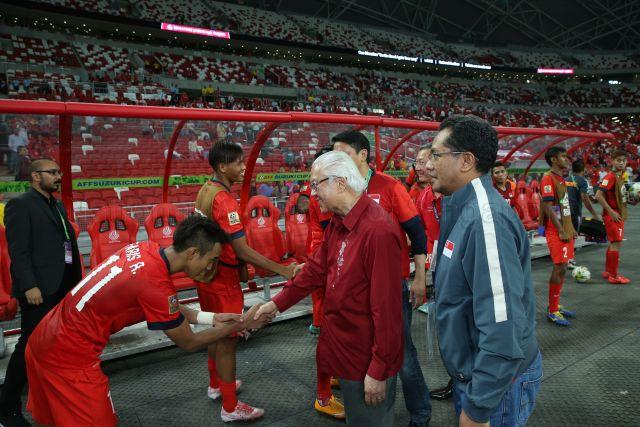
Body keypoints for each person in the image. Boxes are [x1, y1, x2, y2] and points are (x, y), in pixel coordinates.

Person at [25, 216, 273, 426]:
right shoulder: (155, 284)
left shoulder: (146, 250)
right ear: (193, 252)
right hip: (66, 358)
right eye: (212, 259)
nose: (213, 266)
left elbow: (166, 306)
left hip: (44, 337)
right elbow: (189, 341)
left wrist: (213, 318)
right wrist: (241, 325)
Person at [255, 151, 404, 426]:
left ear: (340, 183)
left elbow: (388, 310)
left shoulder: (378, 231)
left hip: (366, 358)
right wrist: (276, 304)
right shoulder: (339, 221)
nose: (312, 194)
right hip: (347, 351)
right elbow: (315, 270)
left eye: (317, 184)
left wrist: (379, 370)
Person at [426, 115, 541, 426]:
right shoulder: (462, 208)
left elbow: (502, 325)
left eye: (436, 155)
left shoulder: (483, 220)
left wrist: (479, 409)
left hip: (494, 387)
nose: (427, 163)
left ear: (465, 161)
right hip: (478, 378)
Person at [333, 130, 431, 427]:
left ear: (363, 155)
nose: (338, 160)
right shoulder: (340, 187)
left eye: (344, 153)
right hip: (354, 289)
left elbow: (416, 232)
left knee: (401, 353)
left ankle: (420, 413)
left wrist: (419, 278)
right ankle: (372, 412)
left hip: (389, 287)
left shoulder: (389, 187)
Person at [194, 142, 297, 422]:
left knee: (217, 332)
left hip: (206, 274)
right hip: (222, 277)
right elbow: (241, 250)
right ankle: (230, 407)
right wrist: (283, 270)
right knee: (228, 340)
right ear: (222, 166)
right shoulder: (224, 199)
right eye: (238, 163)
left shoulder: (206, 189)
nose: (243, 167)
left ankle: (216, 385)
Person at [0, 158, 83, 427]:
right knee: (28, 347)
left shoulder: (55, 204)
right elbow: (18, 251)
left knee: (56, 346)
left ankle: (52, 399)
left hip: (64, 286)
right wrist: (29, 286)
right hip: (39, 290)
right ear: (36, 176)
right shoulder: (20, 204)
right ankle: (7, 408)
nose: (59, 176)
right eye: (53, 172)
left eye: (59, 172)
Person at [414, 147, 454, 402]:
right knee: (447, 324)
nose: (417, 166)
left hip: (458, 268)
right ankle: (457, 378)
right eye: (415, 162)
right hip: (438, 267)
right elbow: (422, 235)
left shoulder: (454, 196)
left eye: (422, 161)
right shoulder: (423, 197)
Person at [540, 146, 578, 326]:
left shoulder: (561, 178)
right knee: (560, 267)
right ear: (554, 159)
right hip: (556, 230)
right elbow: (547, 207)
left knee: (563, 267)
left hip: (565, 228)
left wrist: (570, 228)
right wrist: (561, 230)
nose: (567, 159)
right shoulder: (548, 178)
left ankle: (555, 305)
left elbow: (563, 206)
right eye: (563, 156)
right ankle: (552, 310)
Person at [595, 150, 637, 284]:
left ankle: (608, 271)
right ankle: (614, 275)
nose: (622, 163)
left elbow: (619, 197)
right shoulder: (611, 176)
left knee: (614, 243)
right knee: (616, 244)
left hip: (617, 213)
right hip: (613, 215)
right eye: (618, 160)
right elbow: (598, 196)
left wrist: (633, 201)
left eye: (624, 160)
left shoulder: (620, 176)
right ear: (612, 161)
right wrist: (611, 212)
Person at [566, 159, 601, 269]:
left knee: (566, 233)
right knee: (572, 234)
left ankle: (565, 257)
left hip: (564, 210)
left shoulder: (565, 179)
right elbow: (584, 199)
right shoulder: (582, 181)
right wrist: (594, 214)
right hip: (575, 211)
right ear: (583, 169)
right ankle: (569, 259)